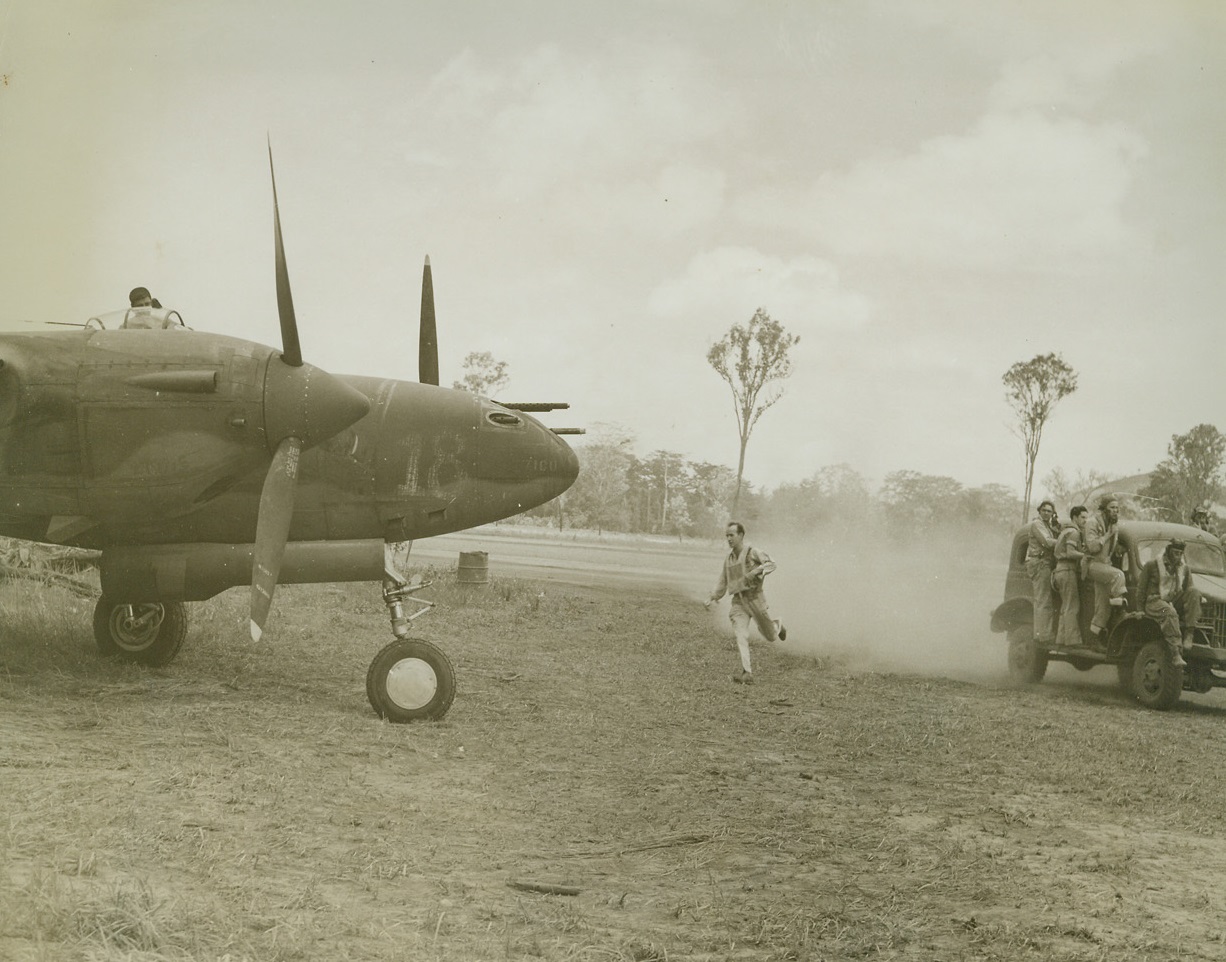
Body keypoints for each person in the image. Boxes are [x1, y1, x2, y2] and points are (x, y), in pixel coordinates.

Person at [705, 521, 787, 685]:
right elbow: (723, 582)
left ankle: (776, 626)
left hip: (755, 599)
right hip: (738, 603)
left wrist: (756, 571)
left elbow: (772, 564)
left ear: (741, 535)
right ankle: (747, 673)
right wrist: (713, 597)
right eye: (726, 535)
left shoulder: (752, 552)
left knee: (770, 636)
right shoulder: (728, 560)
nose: (729, 539)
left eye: (732, 535)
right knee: (741, 635)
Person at [1137, 539, 1201, 668]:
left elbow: (1189, 589)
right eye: (1175, 552)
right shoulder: (1152, 565)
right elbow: (1141, 589)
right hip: (1154, 602)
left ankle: (1189, 634)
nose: (1177, 556)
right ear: (1168, 551)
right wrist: (1139, 609)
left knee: (1194, 592)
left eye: (1180, 553)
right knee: (1169, 612)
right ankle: (1176, 652)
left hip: (1173, 599)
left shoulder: (1184, 568)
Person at [1082, 494, 1127, 644]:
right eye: (1112, 508)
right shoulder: (1092, 522)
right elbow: (1092, 546)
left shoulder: (1114, 525)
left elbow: (1111, 547)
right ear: (1104, 510)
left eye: (1117, 509)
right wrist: (1108, 535)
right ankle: (1120, 609)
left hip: (1104, 566)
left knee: (1102, 608)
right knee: (1119, 575)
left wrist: (1120, 547)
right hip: (1092, 565)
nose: (1115, 511)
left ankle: (1094, 640)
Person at [1052, 505, 1089, 650]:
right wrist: (1085, 556)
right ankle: (1072, 640)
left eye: (1086, 518)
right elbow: (1070, 552)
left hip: (1060, 570)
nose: (1085, 521)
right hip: (1067, 569)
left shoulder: (1066, 530)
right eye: (1082, 517)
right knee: (1072, 606)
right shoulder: (1074, 533)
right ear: (1075, 518)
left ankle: (1061, 638)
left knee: (1066, 605)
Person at [1025, 500, 1060, 647]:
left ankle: (1044, 633)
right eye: (1044, 510)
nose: (1046, 513)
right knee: (1043, 600)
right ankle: (1042, 635)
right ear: (1039, 511)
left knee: (1045, 599)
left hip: (1045, 563)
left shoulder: (1047, 525)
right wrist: (1064, 540)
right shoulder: (1037, 524)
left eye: (1049, 511)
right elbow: (1047, 542)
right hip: (1039, 563)